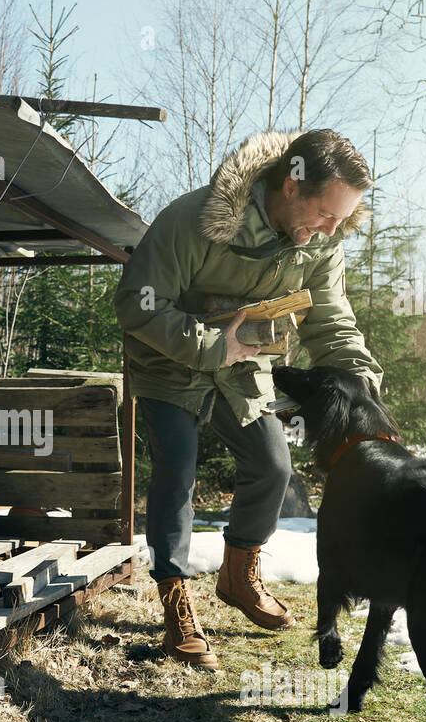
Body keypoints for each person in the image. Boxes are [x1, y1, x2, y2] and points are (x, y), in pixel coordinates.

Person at [114, 129, 384, 671]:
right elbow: (137, 303)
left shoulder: (323, 243)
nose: (334, 230)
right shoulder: (193, 220)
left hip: (244, 369)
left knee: (272, 465)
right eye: (327, 215)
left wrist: (360, 378)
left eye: (344, 219)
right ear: (291, 187)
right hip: (169, 363)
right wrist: (214, 344)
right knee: (177, 474)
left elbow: (330, 322)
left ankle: (238, 577)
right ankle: (175, 604)